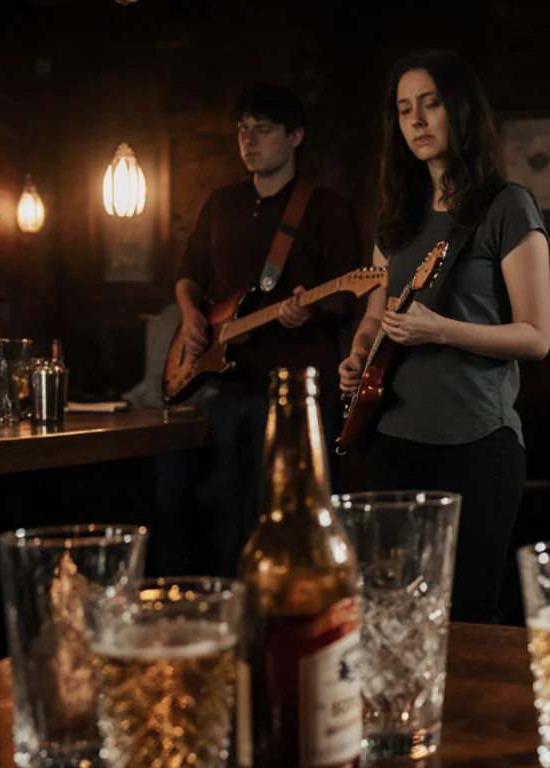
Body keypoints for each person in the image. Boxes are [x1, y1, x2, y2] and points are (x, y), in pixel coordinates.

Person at [339, 50, 550, 625]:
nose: (416, 120)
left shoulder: (508, 205)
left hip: (476, 442)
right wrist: (358, 355)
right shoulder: (396, 216)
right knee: (390, 611)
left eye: (430, 104)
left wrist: (440, 330)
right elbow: (373, 317)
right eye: (405, 109)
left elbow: (537, 337)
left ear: (459, 111)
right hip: (390, 437)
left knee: (469, 615)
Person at [167, 83, 363, 577]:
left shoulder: (325, 208)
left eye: (263, 129)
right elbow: (188, 273)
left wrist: (310, 311)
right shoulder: (221, 203)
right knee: (221, 523)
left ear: (295, 136)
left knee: (289, 523)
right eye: (243, 130)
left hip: (296, 394)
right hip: (225, 389)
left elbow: (348, 295)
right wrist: (192, 315)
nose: (249, 140)